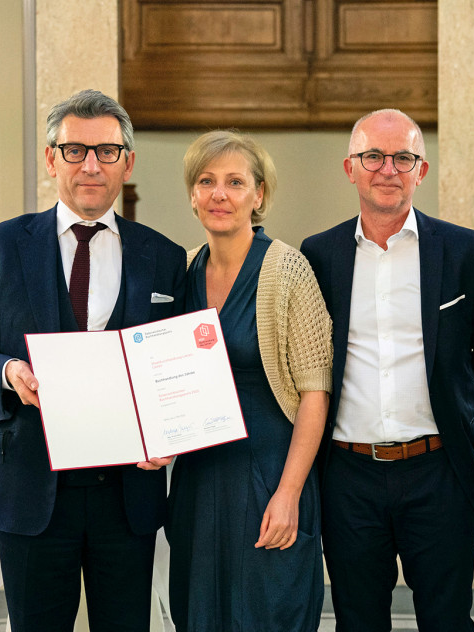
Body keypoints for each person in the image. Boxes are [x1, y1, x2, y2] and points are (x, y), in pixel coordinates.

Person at [0, 89, 186, 631]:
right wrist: (7, 372)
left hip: (127, 493)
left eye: (106, 151)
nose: (91, 165)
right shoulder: (0, 245)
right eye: (75, 150)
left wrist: (171, 432)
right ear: (52, 158)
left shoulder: (164, 256)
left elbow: (177, 365)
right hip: (30, 483)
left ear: (128, 161)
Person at [300, 109, 474, 632]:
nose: (387, 169)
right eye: (373, 156)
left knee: (448, 620)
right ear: (350, 168)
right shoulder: (318, 256)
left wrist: (460, 434)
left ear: (421, 170)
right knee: (358, 622)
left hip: (438, 472)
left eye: (403, 157)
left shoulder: (468, 254)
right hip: (348, 476)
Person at [166, 130, 332, 632]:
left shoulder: (288, 270)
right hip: (198, 482)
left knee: (267, 614)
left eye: (235, 182)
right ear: (193, 195)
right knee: (198, 614)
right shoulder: (186, 269)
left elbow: (314, 393)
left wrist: (288, 494)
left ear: (259, 195)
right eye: (207, 181)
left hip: (269, 478)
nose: (220, 194)